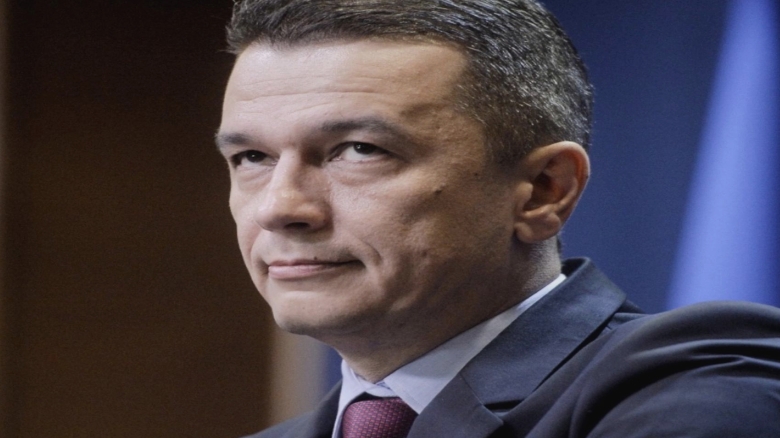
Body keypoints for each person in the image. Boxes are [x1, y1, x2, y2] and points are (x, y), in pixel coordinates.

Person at [215, 1, 780, 437]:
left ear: (544, 191)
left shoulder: (703, 386)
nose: (279, 208)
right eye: (252, 158)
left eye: (360, 150)